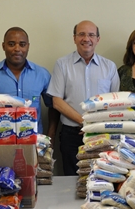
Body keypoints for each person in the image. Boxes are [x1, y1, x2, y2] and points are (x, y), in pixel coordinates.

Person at [47, 20, 120, 176]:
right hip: (71, 135)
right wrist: (85, 123)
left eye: (91, 35)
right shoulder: (62, 64)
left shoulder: (110, 67)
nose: (86, 38)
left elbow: (115, 103)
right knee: (72, 182)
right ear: (74, 38)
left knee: (102, 179)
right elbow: (56, 101)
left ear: (98, 39)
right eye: (81, 34)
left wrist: (95, 127)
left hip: (102, 134)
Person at [0, 27, 55, 137]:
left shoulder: (42, 74)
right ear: (3, 46)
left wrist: (50, 137)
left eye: (22, 44)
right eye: (11, 44)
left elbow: (54, 107)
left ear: (28, 47)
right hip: (0, 142)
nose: (17, 49)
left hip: (35, 141)